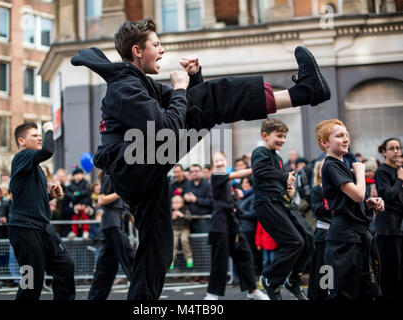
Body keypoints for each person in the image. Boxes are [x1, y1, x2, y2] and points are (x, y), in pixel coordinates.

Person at [71, 18, 330, 299]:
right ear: (137, 50)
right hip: (133, 164)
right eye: (156, 45)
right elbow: (168, 127)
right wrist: (182, 89)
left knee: (156, 252)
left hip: (145, 172)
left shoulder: (141, 83)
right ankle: (303, 92)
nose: (162, 50)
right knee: (211, 98)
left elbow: (191, 107)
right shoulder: (124, 88)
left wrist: (193, 79)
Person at [316, 119, 384, 300]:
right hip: (342, 240)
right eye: (339, 136)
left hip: (354, 237)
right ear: (324, 143)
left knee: (365, 290)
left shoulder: (340, 165)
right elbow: (358, 195)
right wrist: (360, 172)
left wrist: (369, 203)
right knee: (341, 293)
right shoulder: (330, 164)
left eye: (346, 135)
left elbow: (352, 201)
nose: (346, 139)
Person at [8, 122, 75, 300]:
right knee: (32, 280)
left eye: (40, 135)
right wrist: (49, 129)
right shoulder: (21, 157)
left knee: (65, 265)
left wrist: (50, 196)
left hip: (43, 227)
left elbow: (33, 200)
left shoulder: (35, 167)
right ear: (21, 141)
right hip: (24, 229)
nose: (39, 138)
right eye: (35, 135)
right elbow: (47, 151)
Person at [251, 118, 314, 300]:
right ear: (265, 135)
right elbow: (260, 171)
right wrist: (284, 176)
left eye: (285, 136)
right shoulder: (260, 152)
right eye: (279, 136)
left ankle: (293, 279)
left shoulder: (278, 159)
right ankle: (270, 278)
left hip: (282, 202)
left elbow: (276, 180)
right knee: (294, 242)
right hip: (266, 204)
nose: (283, 140)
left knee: (308, 238)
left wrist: (288, 189)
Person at [204, 151, 269, 301]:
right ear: (213, 166)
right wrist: (255, 169)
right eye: (216, 161)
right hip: (219, 224)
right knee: (219, 259)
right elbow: (234, 175)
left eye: (221, 160)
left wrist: (235, 196)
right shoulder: (217, 176)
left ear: (226, 161)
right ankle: (211, 294)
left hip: (232, 223)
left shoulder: (225, 181)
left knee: (244, 255)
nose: (219, 163)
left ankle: (252, 291)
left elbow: (227, 197)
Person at [88, 173, 135, 300]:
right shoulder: (109, 176)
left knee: (106, 267)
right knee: (129, 257)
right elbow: (102, 199)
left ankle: (95, 297)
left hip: (113, 223)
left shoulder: (116, 177)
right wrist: (120, 192)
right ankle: (142, 290)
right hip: (111, 223)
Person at [374, 138, 403, 299]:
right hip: (387, 228)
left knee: (398, 268)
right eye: (392, 148)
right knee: (390, 268)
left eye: (398, 148)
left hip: (398, 225)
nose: (396, 151)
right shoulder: (382, 171)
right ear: (384, 152)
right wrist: (400, 179)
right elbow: (388, 196)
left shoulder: (399, 170)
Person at [307, 158, 331, 300]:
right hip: (324, 234)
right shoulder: (317, 189)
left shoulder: (343, 188)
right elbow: (318, 211)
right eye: (324, 168)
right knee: (323, 269)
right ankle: (322, 296)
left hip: (339, 234)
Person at [183, 164, 213, 234]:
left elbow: (211, 202)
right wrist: (185, 198)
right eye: (192, 171)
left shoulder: (207, 185)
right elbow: (183, 199)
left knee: (202, 242)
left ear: (201, 172)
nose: (194, 173)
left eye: (196, 171)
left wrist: (196, 200)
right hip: (190, 219)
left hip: (203, 219)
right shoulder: (188, 184)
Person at [170, 195, 193, 269]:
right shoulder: (171, 211)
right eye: (173, 203)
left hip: (184, 229)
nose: (174, 205)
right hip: (175, 229)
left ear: (182, 203)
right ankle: (171, 260)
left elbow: (190, 218)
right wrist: (172, 218)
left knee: (184, 240)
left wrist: (182, 215)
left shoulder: (185, 209)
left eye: (177, 203)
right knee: (174, 243)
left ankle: (189, 258)